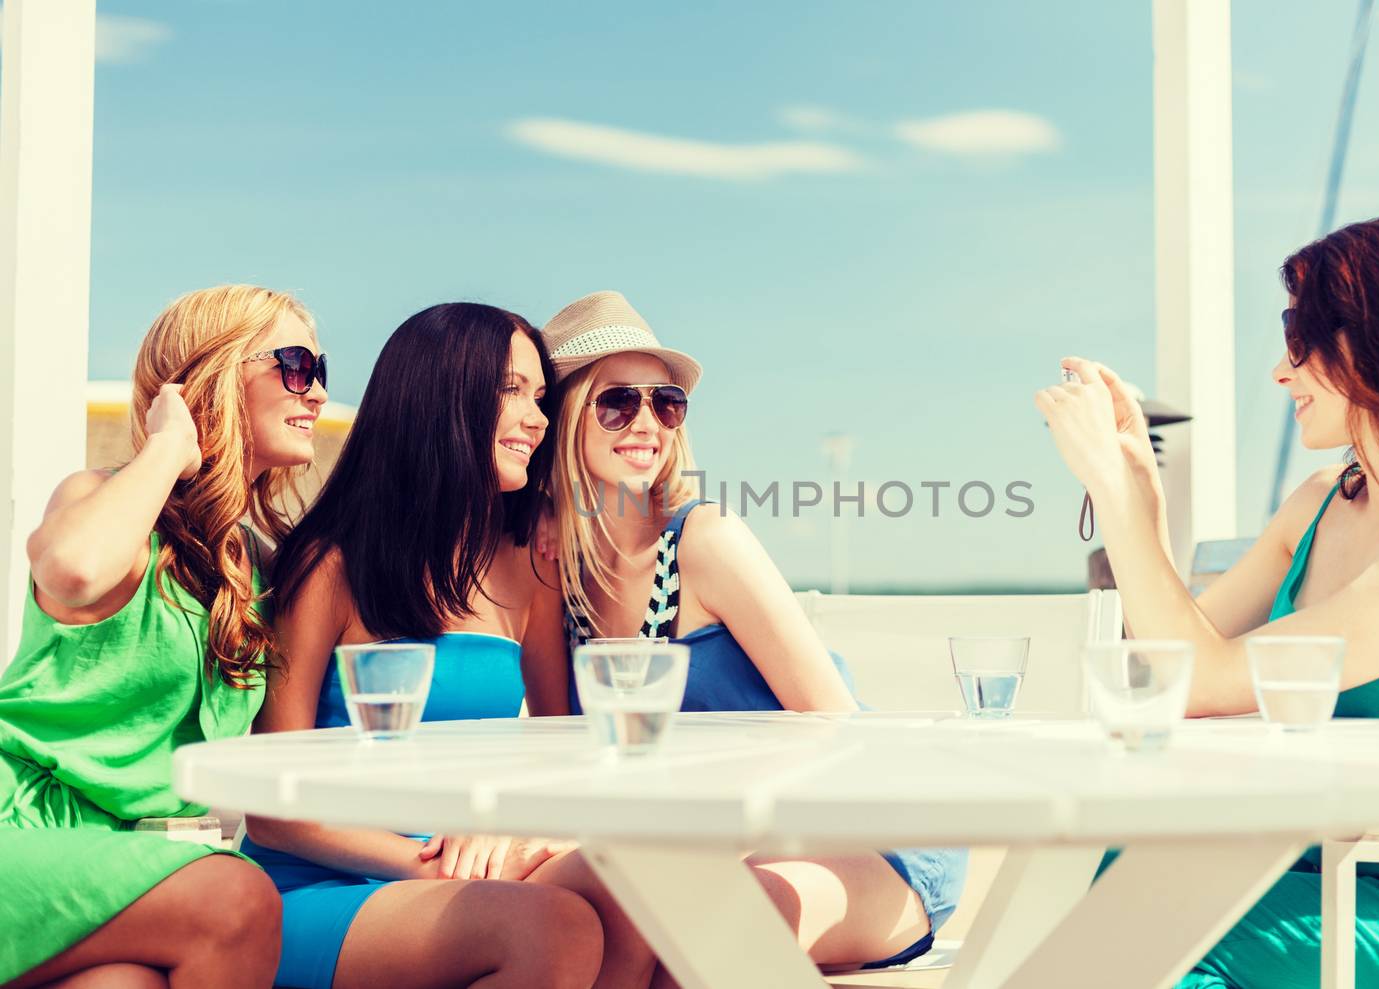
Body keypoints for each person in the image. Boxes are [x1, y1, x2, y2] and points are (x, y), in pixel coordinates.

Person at [1037, 213, 1379, 988]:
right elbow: (1156, 668)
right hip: (1329, 867)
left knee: (1160, 940)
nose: (1279, 370)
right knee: (1132, 875)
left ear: (1378, 344)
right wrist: (1137, 487)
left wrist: (1111, 490)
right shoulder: (1320, 502)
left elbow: (1195, 683)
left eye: (1299, 334)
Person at [525, 290, 967, 985]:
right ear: (563, 419)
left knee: (702, 927)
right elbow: (556, 754)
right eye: (618, 402)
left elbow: (838, 731)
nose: (648, 422)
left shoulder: (707, 541)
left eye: (665, 402)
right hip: (691, 852)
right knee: (594, 922)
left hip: (861, 834)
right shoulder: (557, 574)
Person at [241, 302, 610, 989]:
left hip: (465, 870)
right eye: (511, 391)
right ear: (442, 398)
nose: (537, 419)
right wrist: (432, 862)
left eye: (540, 397)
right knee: (554, 927)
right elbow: (271, 812)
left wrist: (516, 828)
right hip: (319, 888)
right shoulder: (330, 565)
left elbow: (568, 754)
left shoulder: (531, 565)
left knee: (635, 883)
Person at [0, 285, 326, 988]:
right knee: (235, 898)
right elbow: (73, 568)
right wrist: (171, 444)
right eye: (297, 366)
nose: (319, 393)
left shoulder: (262, 567)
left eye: (321, 371)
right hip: (20, 831)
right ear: (213, 374)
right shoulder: (99, 499)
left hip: (131, 869)